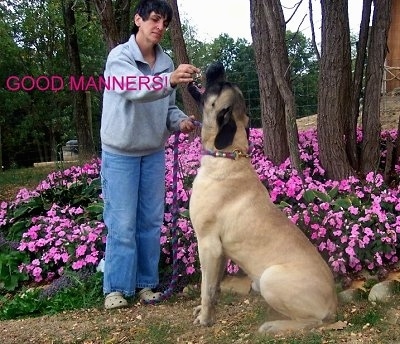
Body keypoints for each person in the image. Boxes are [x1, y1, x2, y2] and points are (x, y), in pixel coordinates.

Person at [100, 0, 199, 309]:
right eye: (155, 20)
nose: (160, 27)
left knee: (150, 222)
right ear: (138, 20)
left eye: (165, 23)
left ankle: (145, 285)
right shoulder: (119, 58)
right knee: (122, 222)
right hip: (120, 153)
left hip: (153, 152)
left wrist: (179, 121)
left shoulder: (166, 61)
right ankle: (116, 289)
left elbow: (166, 107)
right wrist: (167, 80)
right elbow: (134, 89)